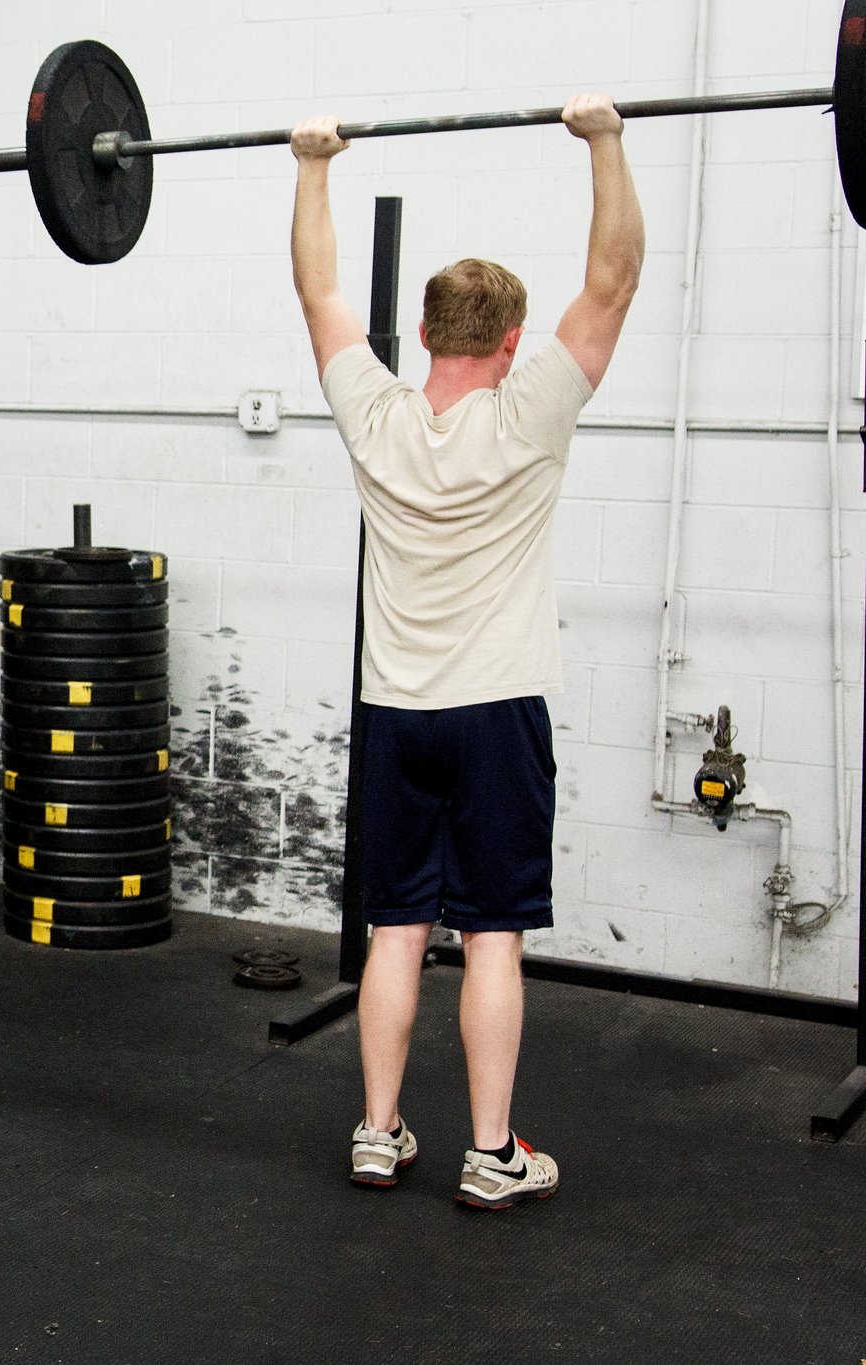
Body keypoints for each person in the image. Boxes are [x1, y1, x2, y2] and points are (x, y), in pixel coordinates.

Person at [288, 95, 643, 1209]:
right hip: (496, 714)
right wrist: (604, 142)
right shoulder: (530, 412)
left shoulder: (375, 416)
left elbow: (318, 292)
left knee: (393, 928)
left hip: (396, 713)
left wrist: (312, 166)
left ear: (426, 333)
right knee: (492, 936)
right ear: (508, 342)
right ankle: (492, 1155)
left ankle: (376, 1130)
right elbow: (612, 282)